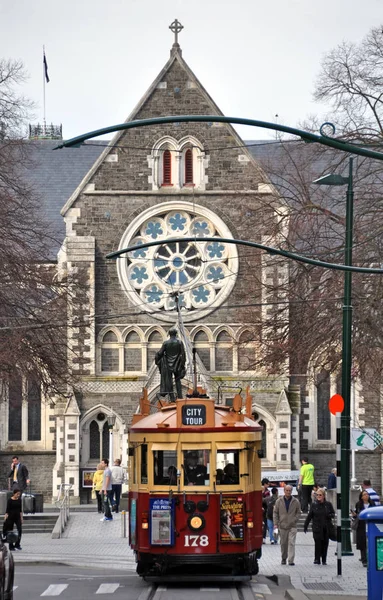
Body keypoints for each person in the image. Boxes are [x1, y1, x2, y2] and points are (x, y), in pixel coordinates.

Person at [304, 487, 335, 565]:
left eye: (320, 495)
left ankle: (324, 559)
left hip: (326, 527)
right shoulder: (314, 505)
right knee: (317, 543)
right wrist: (305, 525)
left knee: (325, 543)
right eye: (317, 495)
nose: (318, 496)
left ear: (324, 496)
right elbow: (310, 515)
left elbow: (333, 514)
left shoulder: (328, 504)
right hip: (317, 527)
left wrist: (329, 515)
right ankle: (317, 559)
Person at [155, 327, 186, 400]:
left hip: (167, 365)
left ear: (169, 334)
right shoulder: (179, 342)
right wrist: (182, 365)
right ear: (176, 334)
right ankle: (180, 396)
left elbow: (160, 353)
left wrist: (157, 357)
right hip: (177, 364)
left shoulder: (166, 343)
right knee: (178, 380)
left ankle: (172, 398)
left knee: (169, 381)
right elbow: (183, 354)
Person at [274, 485, 301, 565]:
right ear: (284, 491)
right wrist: (276, 523)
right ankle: (283, 558)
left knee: (291, 543)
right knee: (283, 544)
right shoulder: (279, 501)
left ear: (292, 491)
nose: (288, 492)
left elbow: (299, 512)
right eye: (287, 490)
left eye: (290, 490)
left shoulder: (296, 501)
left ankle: (291, 560)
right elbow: (275, 512)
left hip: (292, 526)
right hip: (282, 526)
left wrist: (295, 519)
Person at [352, 490, 374, 567]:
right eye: (364, 494)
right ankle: (364, 559)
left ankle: (370, 558)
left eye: (367, 494)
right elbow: (356, 515)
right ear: (361, 497)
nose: (366, 496)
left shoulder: (372, 503)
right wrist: (354, 515)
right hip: (361, 526)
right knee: (363, 543)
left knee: (370, 543)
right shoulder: (359, 504)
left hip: (370, 525)